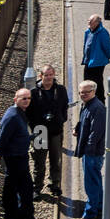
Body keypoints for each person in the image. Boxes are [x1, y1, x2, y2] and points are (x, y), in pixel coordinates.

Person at [0, 88, 40, 219]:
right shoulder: (12, 116)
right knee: (26, 189)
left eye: (29, 98)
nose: (27, 101)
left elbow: (17, 135)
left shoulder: (19, 113)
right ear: (15, 99)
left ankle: (10, 215)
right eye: (23, 98)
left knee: (10, 187)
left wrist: (31, 137)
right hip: (16, 158)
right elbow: (3, 137)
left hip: (18, 155)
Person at [27, 64, 69, 197]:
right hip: (40, 132)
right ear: (41, 76)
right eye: (46, 75)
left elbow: (64, 106)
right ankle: (37, 187)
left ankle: (54, 185)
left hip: (56, 131)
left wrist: (61, 119)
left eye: (51, 75)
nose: (49, 78)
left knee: (55, 160)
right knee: (39, 161)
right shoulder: (34, 92)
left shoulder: (61, 90)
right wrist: (35, 127)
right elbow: (29, 113)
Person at [73, 80, 106, 219]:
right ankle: (99, 206)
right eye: (81, 92)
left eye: (87, 92)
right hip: (90, 151)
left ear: (94, 91)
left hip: (92, 152)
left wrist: (88, 149)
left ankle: (90, 214)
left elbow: (96, 132)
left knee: (91, 183)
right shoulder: (87, 104)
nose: (84, 95)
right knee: (95, 180)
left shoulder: (97, 108)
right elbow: (83, 121)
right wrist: (77, 128)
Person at [82, 14, 110, 102]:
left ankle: (100, 102)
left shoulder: (103, 32)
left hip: (98, 62)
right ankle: (88, 100)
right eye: (88, 20)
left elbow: (107, 46)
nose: (89, 22)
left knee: (97, 84)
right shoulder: (88, 31)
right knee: (87, 82)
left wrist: (109, 55)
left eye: (91, 21)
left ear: (97, 23)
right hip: (88, 62)